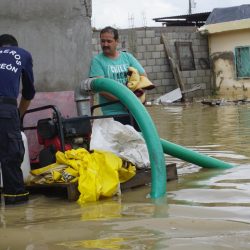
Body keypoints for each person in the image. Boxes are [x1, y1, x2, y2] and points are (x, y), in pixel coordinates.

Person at [89, 26, 150, 131]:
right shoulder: (97, 61)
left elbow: (143, 77)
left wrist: (138, 97)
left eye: (109, 41)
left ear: (117, 41)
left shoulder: (127, 57)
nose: (105, 44)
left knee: (142, 141)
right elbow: (101, 89)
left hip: (135, 111)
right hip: (113, 114)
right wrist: (126, 100)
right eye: (103, 41)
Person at [0, 34, 35, 205]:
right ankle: (17, 213)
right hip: (6, 108)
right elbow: (28, 92)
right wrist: (18, 116)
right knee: (11, 158)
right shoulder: (23, 54)